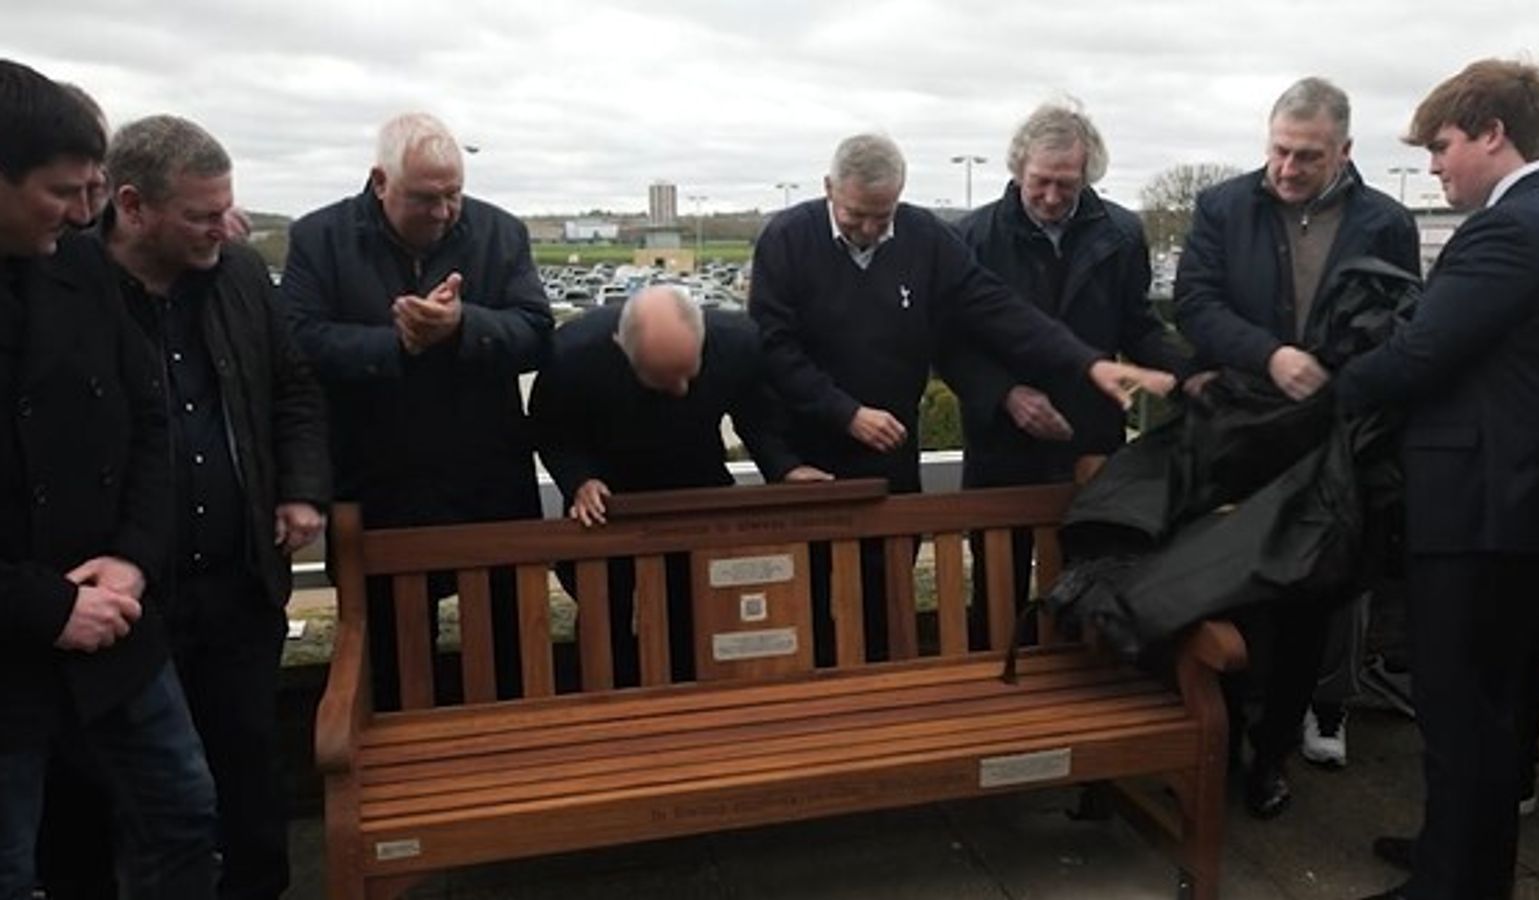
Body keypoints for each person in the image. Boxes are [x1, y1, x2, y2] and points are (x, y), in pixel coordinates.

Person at [749, 132, 1175, 662]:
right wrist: (846, 414)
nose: (871, 229)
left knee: (886, 602)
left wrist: (1086, 361)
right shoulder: (787, 239)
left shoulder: (925, 237)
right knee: (809, 600)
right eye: (857, 214)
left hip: (889, 453)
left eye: (884, 215)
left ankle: (890, 705)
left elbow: (997, 309)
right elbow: (774, 349)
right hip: (810, 452)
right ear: (828, 188)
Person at [1340, 59, 1539, 900]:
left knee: (1463, 716)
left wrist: (1316, 388)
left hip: (1491, 512)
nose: (1434, 166)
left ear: (1493, 133)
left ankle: (1455, 884)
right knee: (1500, 710)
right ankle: (1458, 854)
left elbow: (1421, 354)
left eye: (1442, 146)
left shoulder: (1511, 228)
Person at [1173, 76, 1420, 817]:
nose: (1286, 168)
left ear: (1344, 150)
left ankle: (1271, 756)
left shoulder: (1385, 221)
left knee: (1309, 606)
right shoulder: (1222, 206)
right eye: (1279, 150)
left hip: (1330, 444)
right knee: (1227, 591)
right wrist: (1268, 353)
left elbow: (1403, 319)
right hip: (1241, 433)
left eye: (1307, 157)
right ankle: (1218, 750)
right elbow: (1195, 302)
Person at [98, 114, 330, 900]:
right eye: (199, 216)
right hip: (132, 598)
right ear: (132, 207)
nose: (220, 230)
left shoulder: (235, 276)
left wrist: (300, 488)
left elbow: (291, 386)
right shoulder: (77, 286)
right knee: (151, 796)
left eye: (225, 210)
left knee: (248, 764)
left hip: (238, 577)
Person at [0, 59, 217, 900]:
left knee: (184, 818)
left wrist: (133, 558)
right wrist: (51, 608)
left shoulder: (82, 273)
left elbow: (150, 424)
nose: (85, 212)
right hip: (18, 639)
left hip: (117, 622)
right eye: (61, 191)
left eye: (93, 189)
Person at [283, 112, 554, 708]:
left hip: (488, 488)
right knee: (393, 674)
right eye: (425, 198)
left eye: (453, 194)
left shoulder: (500, 233)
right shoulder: (318, 238)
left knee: (508, 659)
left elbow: (538, 333)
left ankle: (505, 768)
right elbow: (298, 344)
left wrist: (464, 327)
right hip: (380, 488)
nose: (443, 211)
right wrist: (395, 345)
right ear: (380, 182)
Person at [939, 99, 1192, 648]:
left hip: (1088, 437)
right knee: (997, 586)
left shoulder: (1121, 234)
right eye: (1041, 183)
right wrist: (1005, 395)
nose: (1052, 198)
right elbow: (951, 345)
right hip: (1003, 442)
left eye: (1067, 185)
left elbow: (1136, 325)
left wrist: (1186, 372)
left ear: (1087, 176)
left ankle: (1081, 692)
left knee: (1089, 580)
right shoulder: (973, 238)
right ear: (1017, 169)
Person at [528, 285, 820, 682]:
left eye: (689, 373)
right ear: (620, 346)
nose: (681, 390)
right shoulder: (572, 355)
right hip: (608, 504)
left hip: (698, 494)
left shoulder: (737, 342)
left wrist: (785, 468)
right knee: (606, 622)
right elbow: (554, 432)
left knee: (700, 615)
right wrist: (580, 480)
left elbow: (758, 416)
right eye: (663, 380)